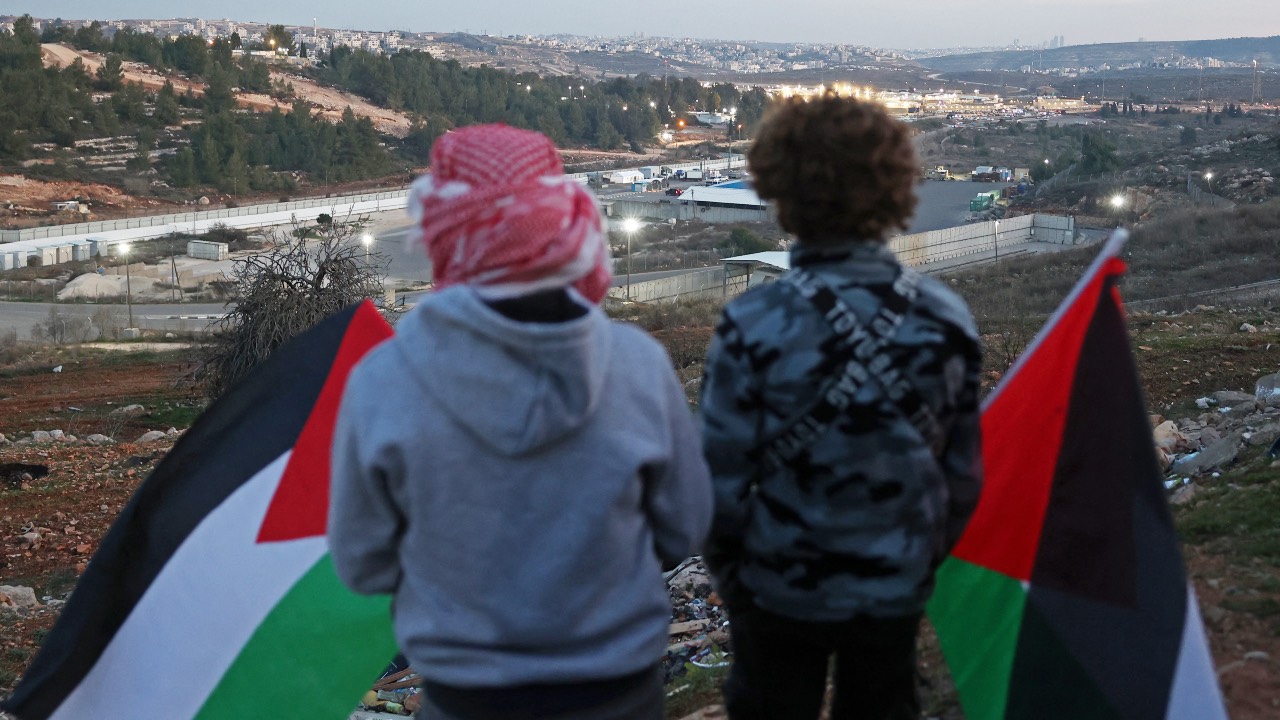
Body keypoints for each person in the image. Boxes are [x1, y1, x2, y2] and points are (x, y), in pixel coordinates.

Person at [328, 124, 712, 720]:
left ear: (443, 229)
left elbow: (363, 562)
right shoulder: (637, 365)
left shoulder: (384, 380)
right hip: (619, 691)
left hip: (467, 695)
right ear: (563, 220)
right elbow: (682, 529)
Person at [699, 96, 984, 719]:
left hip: (776, 592)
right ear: (899, 187)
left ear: (779, 189)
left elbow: (717, 485)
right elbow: (962, 480)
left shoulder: (752, 322)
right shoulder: (945, 317)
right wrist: (917, 565)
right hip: (894, 588)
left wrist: (738, 587)